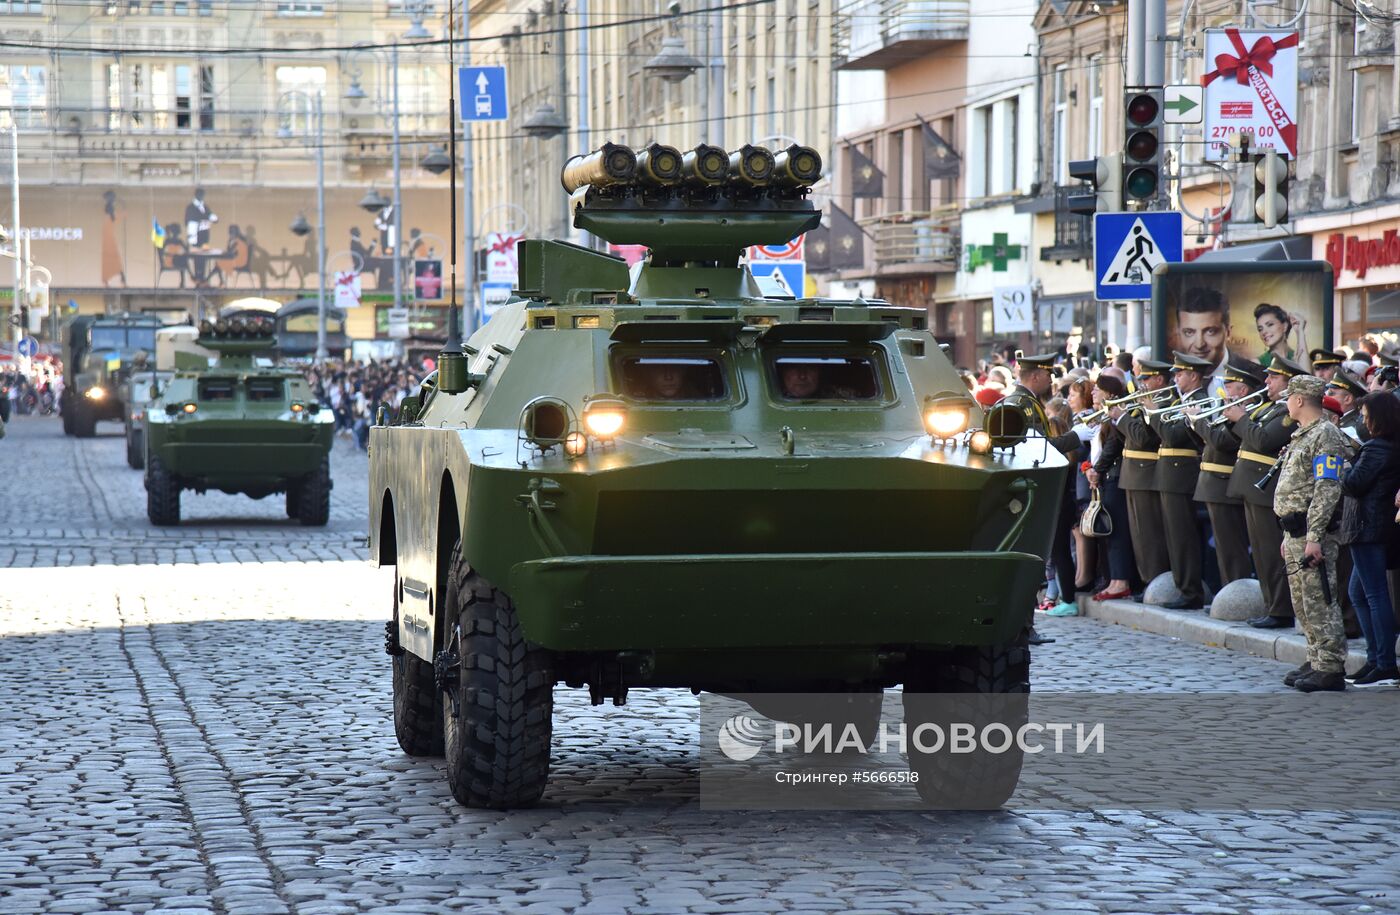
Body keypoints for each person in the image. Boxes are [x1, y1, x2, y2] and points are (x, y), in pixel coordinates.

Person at [1274, 374, 1351, 692]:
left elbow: (1326, 488)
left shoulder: (1326, 434)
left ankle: (1330, 665)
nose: (1287, 403)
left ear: (1300, 399)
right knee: (1303, 601)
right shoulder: (1303, 434)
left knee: (1321, 597)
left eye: (1289, 397)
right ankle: (1316, 656)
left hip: (1312, 531)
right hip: (1295, 531)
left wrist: (1314, 536)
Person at [1226, 355, 1304, 629]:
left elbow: (1263, 440)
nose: (1267, 381)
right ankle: (1271, 605)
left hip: (1265, 490)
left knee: (1271, 553)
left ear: (1288, 383)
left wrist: (1241, 417)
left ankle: (1280, 609)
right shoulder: (1268, 408)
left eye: (1274, 377)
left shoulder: (1286, 413)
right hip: (1250, 486)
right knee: (1259, 553)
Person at [1339, 392, 1400, 687]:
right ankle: (1375, 659)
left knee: (1375, 596)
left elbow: (1353, 483)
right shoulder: (1381, 446)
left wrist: (1343, 464)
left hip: (1369, 528)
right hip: (1370, 527)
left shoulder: (1378, 448)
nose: (1363, 421)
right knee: (1360, 594)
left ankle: (1385, 664)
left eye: (1366, 416)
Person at [1188, 360, 1264, 587]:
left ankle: (1237, 592)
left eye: (1229, 384)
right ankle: (1228, 589)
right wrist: (1195, 424)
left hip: (1224, 482)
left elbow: (1221, 442)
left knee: (1232, 546)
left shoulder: (1244, 413)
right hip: (1214, 482)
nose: (1225, 388)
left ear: (1243, 389)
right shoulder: (1230, 410)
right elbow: (1207, 442)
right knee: (1224, 546)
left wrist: (1198, 420)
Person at [1146, 352, 1212, 609]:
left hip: (1180, 475)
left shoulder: (1199, 401)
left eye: (1180, 373)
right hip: (1169, 474)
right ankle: (1182, 586)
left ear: (1194, 376)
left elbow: (1174, 437)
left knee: (1182, 537)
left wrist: (1153, 414)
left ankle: (1191, 592)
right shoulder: (1182, 401)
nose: (1175, 378)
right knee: (1174, 537)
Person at [1110, 358, 1173, 589]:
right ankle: (1147, 580)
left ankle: (1155, 581)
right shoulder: (1144, 403)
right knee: (1139, 536)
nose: (1142, 383)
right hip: (1133, 472)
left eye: (1146, 378)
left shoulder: (1161, 403)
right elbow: (1128, 437)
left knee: (1150, 534)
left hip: (1146, 473)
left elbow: (1144, 438)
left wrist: (1123, 418)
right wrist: (1117, 419)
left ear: (1159, 379)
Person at [1086, 374, 1135, 600]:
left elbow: (1113, 445)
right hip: (1105, 477)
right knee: (1108, 533)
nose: (1094, 393)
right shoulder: (1103, 417)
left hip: (1114, 476)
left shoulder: (1115, 415)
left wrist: (1097, 469)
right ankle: (1113, 579)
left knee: (1116, 531)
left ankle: (1121, 581)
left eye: (1098, 389)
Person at [1175, 287, 1231, 381]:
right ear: (1178, 333)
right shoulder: (1172, 380)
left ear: (1228, 332)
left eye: (1210, 331)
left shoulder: (1255, 375)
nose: (1199, 345)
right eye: (1189, 332)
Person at [1253, 303, 1309, 371]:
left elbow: (1307, 379)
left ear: (1285, 326)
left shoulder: (1297, 358)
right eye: (1260, 329)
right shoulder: (1257, 363)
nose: (1264, 332)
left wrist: (1300, 332)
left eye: (1270, 324)